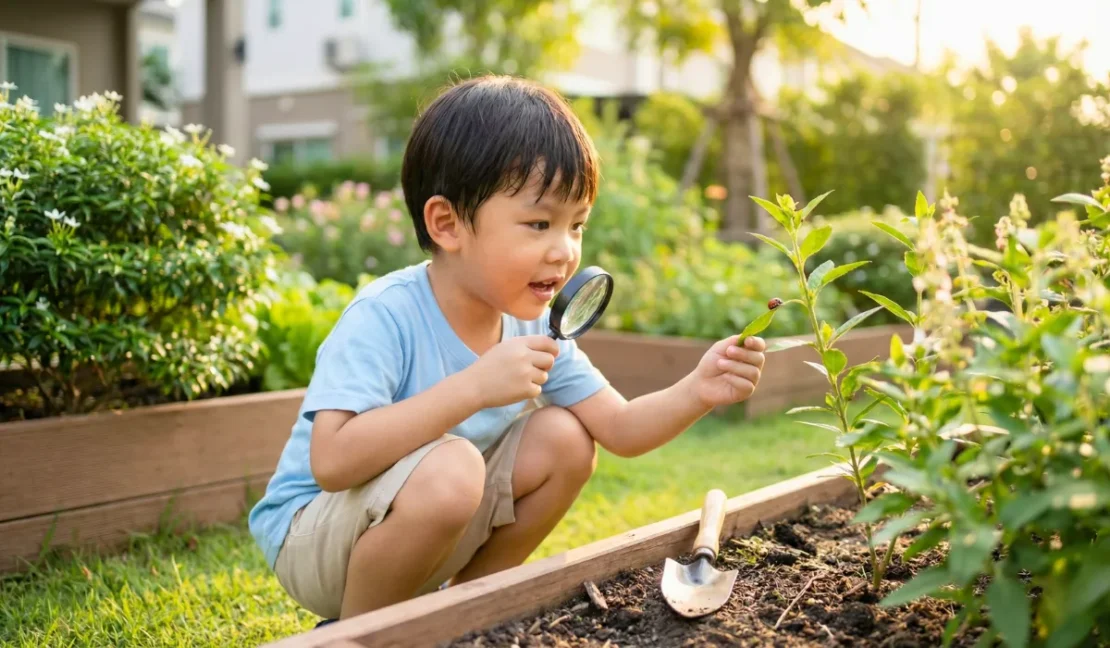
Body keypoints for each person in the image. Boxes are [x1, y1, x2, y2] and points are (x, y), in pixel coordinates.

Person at [247, 74, 767, 625]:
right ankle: (358, 636)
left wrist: (698, 390)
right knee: (454, 467)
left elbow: (621, 429)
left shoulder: (539, 325)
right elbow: (332, 462)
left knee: (567, 439)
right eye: (539, 223)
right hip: (315, 539)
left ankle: (464, 612)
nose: (564, 251)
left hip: (423, 518)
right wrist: (473, 388)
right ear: (447, 224)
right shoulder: (385, 315)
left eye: (577, 225)